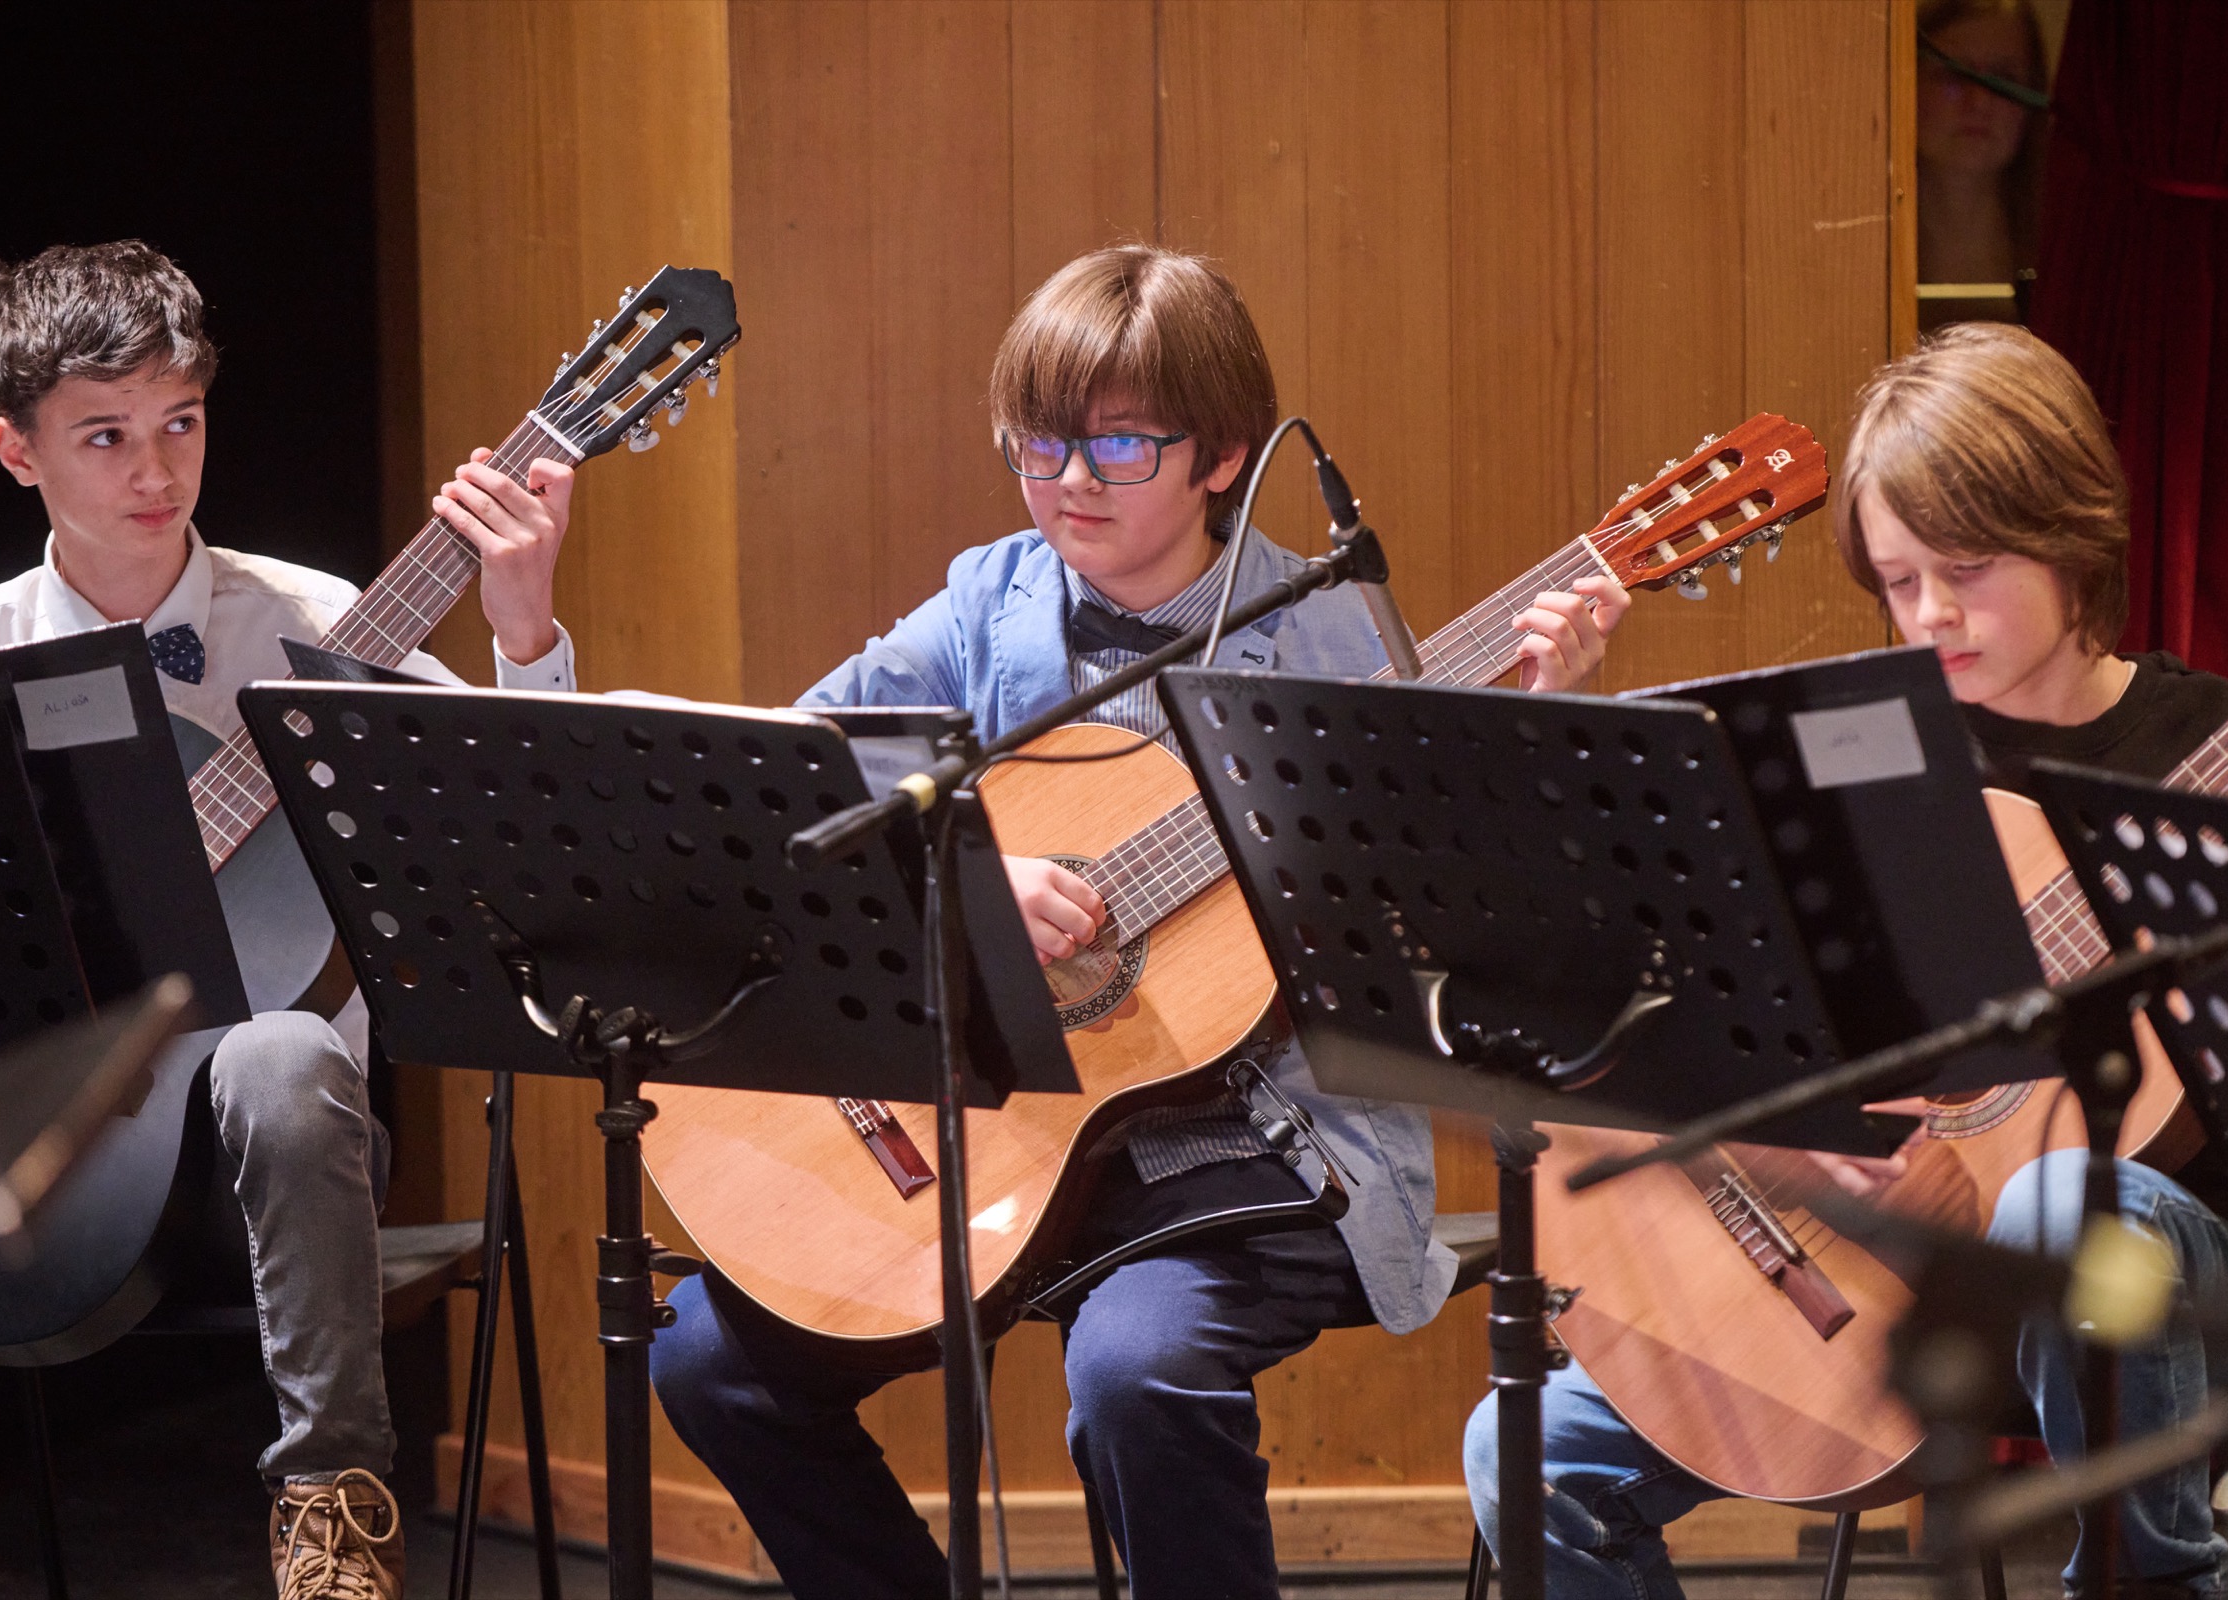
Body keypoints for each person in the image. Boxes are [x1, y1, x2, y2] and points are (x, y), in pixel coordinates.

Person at [643, 243, 1628, 1598]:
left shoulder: (1335, 636)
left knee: (1137, 1370)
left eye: (1116, 445)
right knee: (707, 1358)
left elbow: (1480, 928)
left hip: (1258, 1143)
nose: (1070, 482)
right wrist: (968, 874)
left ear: (1224, 456)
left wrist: (1542, 725)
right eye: (1037, 445)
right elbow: (786, 785)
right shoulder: (988, 602)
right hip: (1006, 1132)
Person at [1463, 322, 2228, 1600]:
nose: (1930, 613)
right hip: (1878, 1278)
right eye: (1899, 579)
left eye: (1968, 569)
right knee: (1523, 1457)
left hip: (2170, 1280)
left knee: (2070, 1203)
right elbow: (1667, 994)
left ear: (2072, 535)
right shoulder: (1861, 765)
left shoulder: (2220, 756)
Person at [0, 240, 581, 1600]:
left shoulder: (323, 626)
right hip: (44, 1188)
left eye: (182, 423)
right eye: (105, 436)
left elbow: (534, 835)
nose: (156, 472)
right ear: (18, 451)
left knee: (280, 1048)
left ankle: (336, 1525)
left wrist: (522, 631)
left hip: (274, 1173)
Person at [1916, 0, 2049, 331]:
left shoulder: (2065, 251)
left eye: (2002, 79)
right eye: (1953, 74)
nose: (1978, 101)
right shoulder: (1860, 252)